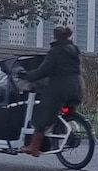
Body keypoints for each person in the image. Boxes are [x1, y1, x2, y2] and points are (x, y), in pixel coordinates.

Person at [20, 26, 83, 156]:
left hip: (60, 87)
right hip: (77, 86)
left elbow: (44, 71)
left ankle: (34, 147)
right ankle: (66, 133)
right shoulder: (74, 50)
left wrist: (28, 75)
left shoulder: (55, 51)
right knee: (59, 113)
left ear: (55, 37)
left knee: (41, 115)